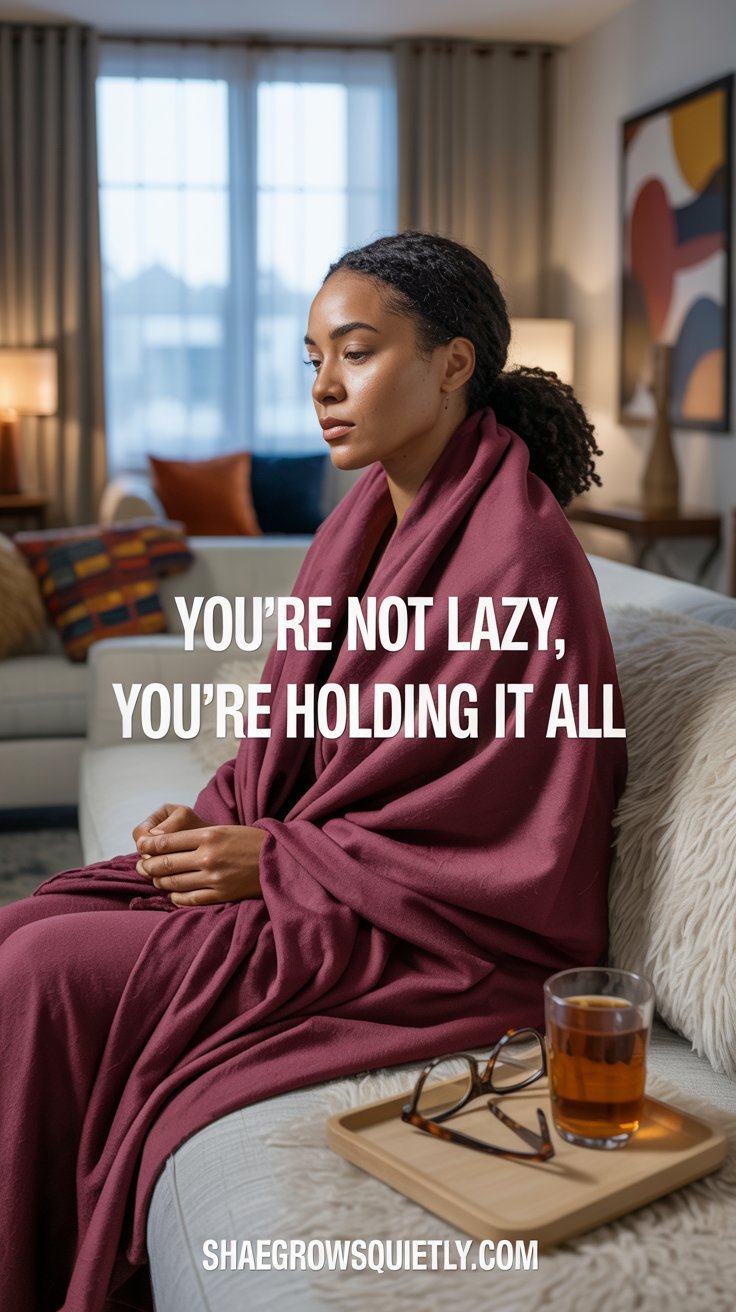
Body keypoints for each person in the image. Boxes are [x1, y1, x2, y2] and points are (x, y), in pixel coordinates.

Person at [0, 229, 627, 1311]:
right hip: (329, 876)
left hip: (437, 938)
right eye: (313, 359)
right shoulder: (363, 522)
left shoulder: (517, 556)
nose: (325, 388)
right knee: (24, 927)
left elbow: (503, 833)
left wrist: (278, 862)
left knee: (38, 973)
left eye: (357, 352)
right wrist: (213, 821)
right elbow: (302, 746)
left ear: (451, 364)